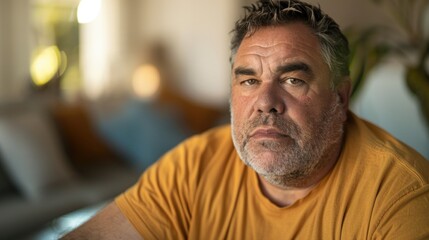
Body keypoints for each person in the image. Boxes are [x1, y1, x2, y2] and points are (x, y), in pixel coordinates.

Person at [62, 0, 429, 239]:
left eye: (293, 79)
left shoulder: (402, 198)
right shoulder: (194, 165)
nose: (265, 103)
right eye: (249, 80)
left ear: (341, 96)